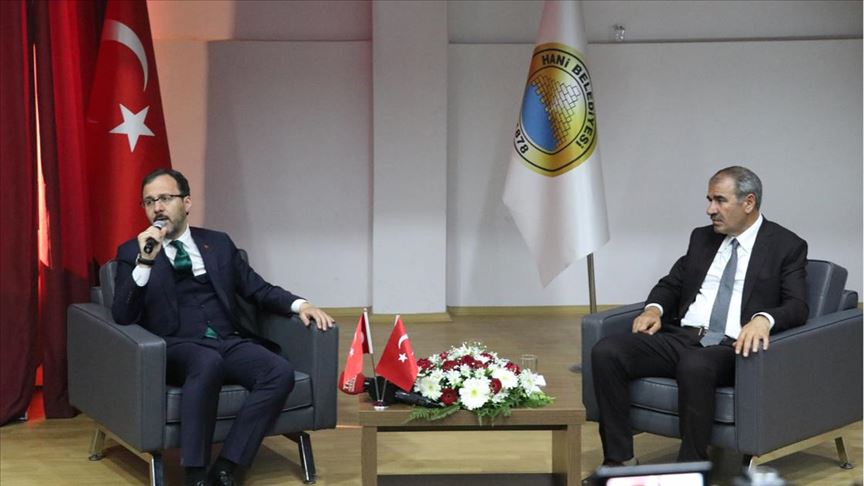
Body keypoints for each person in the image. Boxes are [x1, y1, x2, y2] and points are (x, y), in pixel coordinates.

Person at [111, 168, 334, 486]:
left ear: (186, 203)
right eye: (149, 202)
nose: (157, 208)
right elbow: (123, 314)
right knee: (207, 361)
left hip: (227, 339)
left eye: (165, 198)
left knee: (278, 372)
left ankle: (228, 467)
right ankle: (195, 474)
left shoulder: (217, 243)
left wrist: (301, 305)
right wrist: (145, 261)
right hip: (176, 346)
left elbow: (257, 289)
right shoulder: (132, 252)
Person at [591, 166, 808, 464]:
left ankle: (689, 469)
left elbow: (797, 305)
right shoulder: (702, 239)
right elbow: (671, 284)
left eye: (720, 200)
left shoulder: (786, 246)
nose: (710, 210)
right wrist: (654, 309)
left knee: (695, 364)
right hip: (683, 337)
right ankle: (619, 461)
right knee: (607, 351)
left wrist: (763, 319)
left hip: (732, 347)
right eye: (709, 200)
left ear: (748, 202)